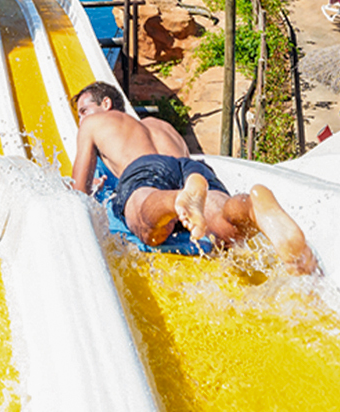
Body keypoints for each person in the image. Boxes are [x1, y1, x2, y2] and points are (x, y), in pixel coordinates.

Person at [69, 82, 317, 273]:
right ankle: (251, 209)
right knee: (225, 226)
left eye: (83, 110)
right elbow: (179, 163)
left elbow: (78, 193)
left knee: (149, 226)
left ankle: (175, 201)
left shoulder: (93, 124)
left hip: (145, 170)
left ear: (106, 103)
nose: (81, 118)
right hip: (191, 168)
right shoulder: (161, 125)